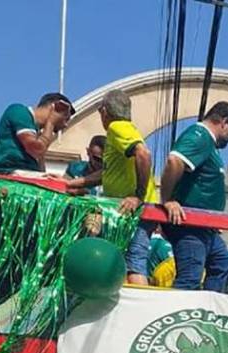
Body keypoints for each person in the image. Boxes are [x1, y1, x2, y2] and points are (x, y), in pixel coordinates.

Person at [64, 90, 159, 285]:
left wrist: (137, 196)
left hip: (134, 209)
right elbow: (107, 173)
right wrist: (73, 183)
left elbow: (144, 154)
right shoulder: (121, 132)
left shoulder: (117, 128)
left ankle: (137, 309)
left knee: (134, 262)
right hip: (127, 209)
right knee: (123, 259)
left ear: (105, 111)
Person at [160, 101, 228, 291]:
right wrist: (167, 200)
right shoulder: (200, 136)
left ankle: (208, 308)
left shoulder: (208, 144)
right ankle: (177, 312)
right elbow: (174, 161)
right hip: (190, 226)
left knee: (221, 264)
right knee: (190, 277)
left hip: (205, 227)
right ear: (224, 122)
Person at [0, 92, 75, 175]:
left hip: (26, 173)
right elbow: (36, 149)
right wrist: (51, 122)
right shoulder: (19, 112)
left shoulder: (36, 132)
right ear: (53, 108)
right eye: (65, 118)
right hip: (10, 172)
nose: (65, 125)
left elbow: (41, 168)